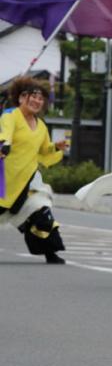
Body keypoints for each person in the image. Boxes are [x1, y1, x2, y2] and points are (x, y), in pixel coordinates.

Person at [0, 77, 68, 263]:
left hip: (28, 181)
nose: (38, 101)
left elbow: (44, 150)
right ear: (22, 98)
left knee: (42, 213)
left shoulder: (41, 126)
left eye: (41, 99)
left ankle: (50, 252)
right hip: (4, 180)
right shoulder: (10, 116)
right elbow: (5, 133)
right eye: (34, 97)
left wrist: (56, 146)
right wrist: (4, 144)